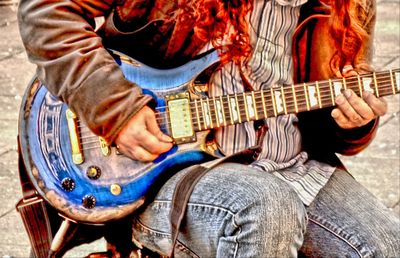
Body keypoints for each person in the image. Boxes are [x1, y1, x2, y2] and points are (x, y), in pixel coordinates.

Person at [17, 0, 399, 257]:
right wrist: (115, 110)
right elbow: (45, 12)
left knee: (385, 245)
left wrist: (353, 121)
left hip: (290, 162)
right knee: (264, 206)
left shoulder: (348, 7)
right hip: (167, 170)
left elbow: (335, 113)